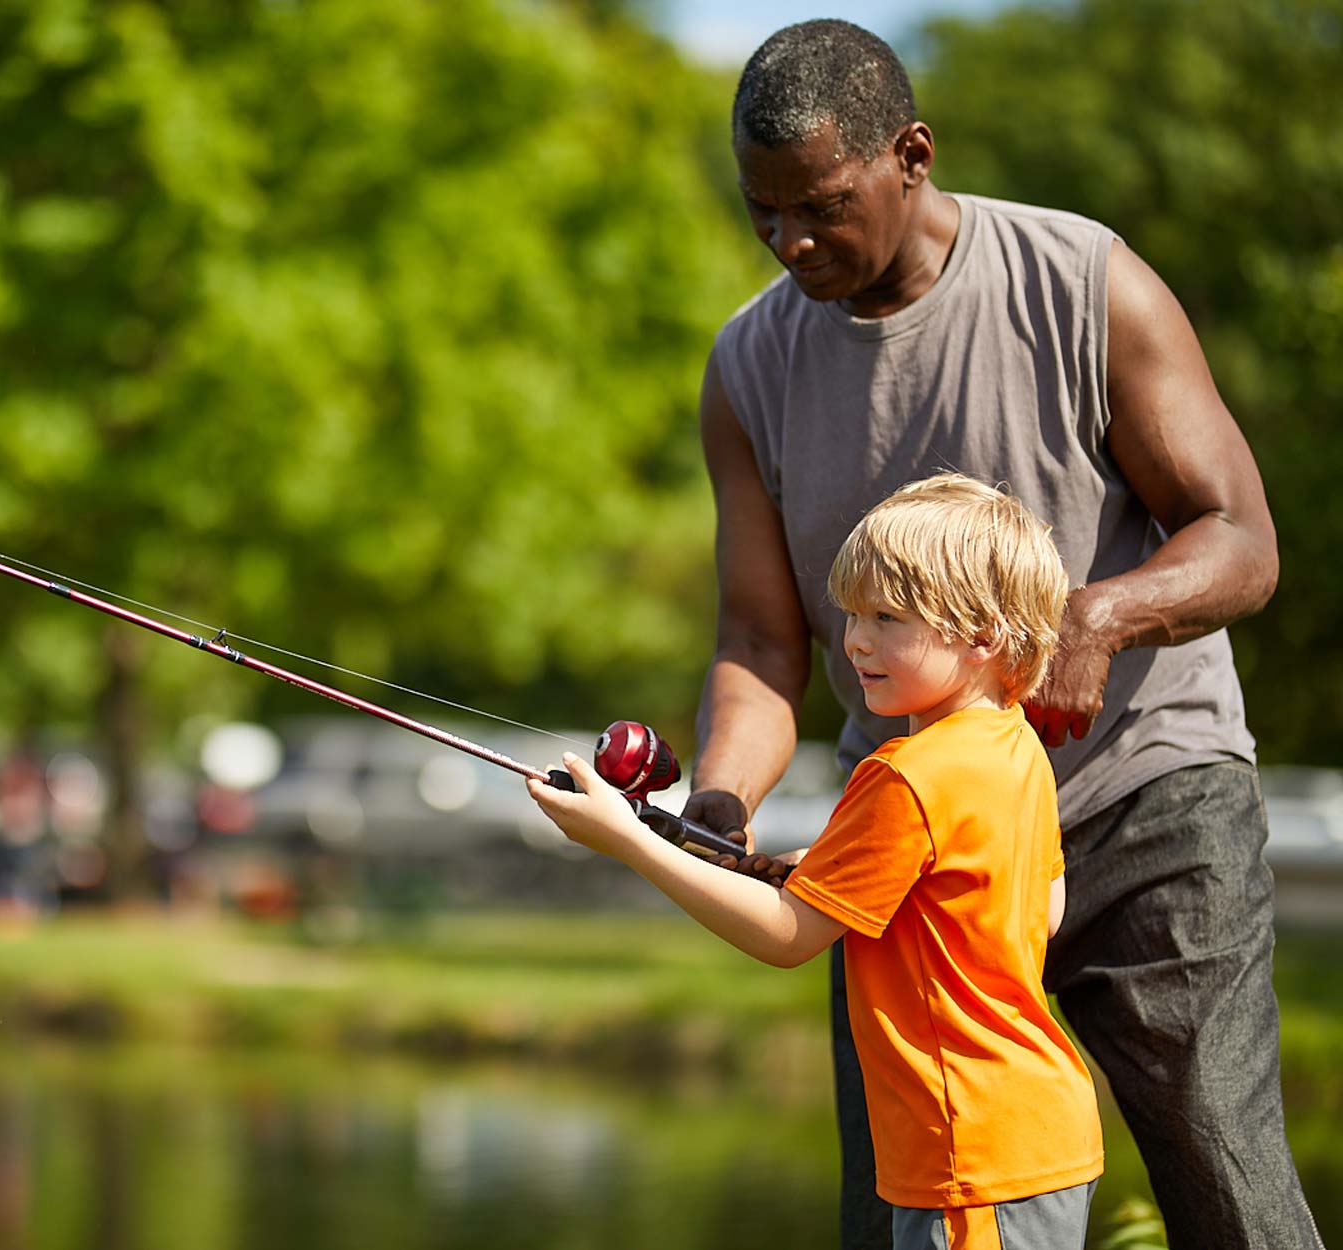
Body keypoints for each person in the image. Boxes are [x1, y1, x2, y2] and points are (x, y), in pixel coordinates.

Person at [681, 18, 1322, 1250]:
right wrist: (720, 801)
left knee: (1224, 1177)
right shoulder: (749, 364)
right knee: (906, 1210)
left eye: (820, 205)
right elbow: (761, 643)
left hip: (1145, 793)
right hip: (916, 834)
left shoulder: (1083, 282)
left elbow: (1241, 535)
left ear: (912, 155)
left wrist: (1098, 616)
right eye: (762, 210)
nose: (789, 240)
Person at [532, 473, 1103, 1249]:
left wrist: (629, 840)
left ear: (983, 637)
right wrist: (844, 872)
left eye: (887, 617)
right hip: (1035, 1134)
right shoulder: (1013, 744)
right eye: (852, 614)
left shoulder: (907, 774)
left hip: (973, 1157)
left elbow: (786, 935)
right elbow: (1041, 905)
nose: (856, 640)